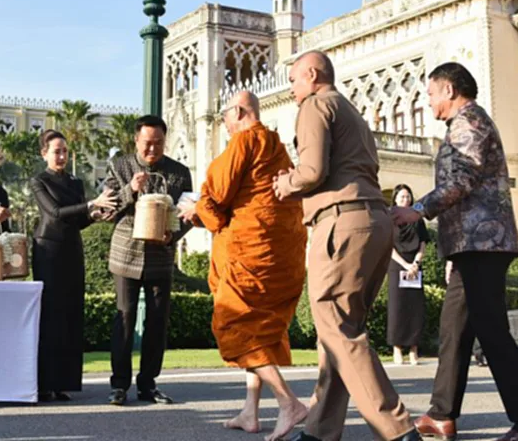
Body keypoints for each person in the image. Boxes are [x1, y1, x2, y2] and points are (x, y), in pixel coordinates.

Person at [392, 62, 518, 441]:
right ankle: (442, 414)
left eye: (431, 93)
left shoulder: (469, 122)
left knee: (492, 331)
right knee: (454, 329)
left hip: (484, 243)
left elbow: (462, 179)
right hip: (471, 246)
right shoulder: (460, 125)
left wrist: (418, 209)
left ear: (449, 90)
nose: (428, 101)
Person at [272, 50, 420, 441]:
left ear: (311, 74)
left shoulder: (315, 105)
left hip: (341, 222)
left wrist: (286, 183)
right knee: (339, 332)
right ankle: (321, 431)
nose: (291, 90)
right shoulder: (351, 112)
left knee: (339, 330)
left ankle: (398, 429)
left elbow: (313, 171)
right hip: (374, 222)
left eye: (293, 80)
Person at [179, 91, 308, 441]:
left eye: (225, 115)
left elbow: (215, 199)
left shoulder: (243, 141)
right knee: (260, 328)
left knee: (234, 323)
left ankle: (288, 402)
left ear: (237, 112)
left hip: (250, 253)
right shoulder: (276, 146)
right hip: (282, 254)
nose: (224, 122)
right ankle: (250, 412)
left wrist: (195, 210)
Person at [104, 115, 193, 406]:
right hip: (125, 255)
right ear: (136, 140)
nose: (152, 149)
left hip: (161, 257)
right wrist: (130, 189)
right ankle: (119, 385)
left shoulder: (179, 172)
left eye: (158, 143)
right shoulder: (120, 166)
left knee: (157, 322)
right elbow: (106, 211)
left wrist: (173, 235)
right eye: (147, 143)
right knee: (125, 318)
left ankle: (148, 384)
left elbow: (189, 213)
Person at [29, 129, 118, 402]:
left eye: (65, 151)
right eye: (57, 151)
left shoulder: (75, 182)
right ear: (44, 153)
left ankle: (63, 383)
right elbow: (55, 213)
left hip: (72, 251)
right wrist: (92, 203)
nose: (62, 156)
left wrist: (95, 215)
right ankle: (44, 383)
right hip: (48, 251)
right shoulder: (39, 181)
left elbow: (78, 220)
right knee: (49, 316)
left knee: (70, 314)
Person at [388, 184, 430, 366]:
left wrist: (415, 264)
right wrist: (404, 265)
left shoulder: (417, 220)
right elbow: (387, 246)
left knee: (415, 308)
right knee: (397, 307)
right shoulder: (390, 219)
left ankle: (414, 349)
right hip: (397, 265)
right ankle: (397, 348)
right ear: (395, 199)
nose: (405, 200)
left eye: (408, 196)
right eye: (402, 197)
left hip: (414, 265)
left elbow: (422, 244)